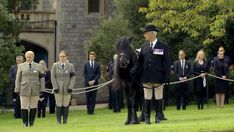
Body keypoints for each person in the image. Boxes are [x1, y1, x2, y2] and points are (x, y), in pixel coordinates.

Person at [139, 24, 171, 124]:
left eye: (146, 33)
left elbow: (167, 63)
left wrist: (167, 77)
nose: (144, 35)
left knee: (158, 96)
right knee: (147, 97)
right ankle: (147, 117)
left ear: (152, 34)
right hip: (146, 77)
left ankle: (158, 116)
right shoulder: (144, 47)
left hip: (158, 77)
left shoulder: (163, 46)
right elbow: (140, 63)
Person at [15, 51, 45, 127]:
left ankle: (31, 123)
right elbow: (18, 79)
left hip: (35, 88)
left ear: (33, 57)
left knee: (33, 106)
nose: (29, 58)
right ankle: (25, 123)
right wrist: (17, 89)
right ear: (25, 57)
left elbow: (42, 78)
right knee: (24, 106)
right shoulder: (21, 66)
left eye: (30, 56)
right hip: (24, 88)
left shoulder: (38, 66)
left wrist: (42, 89)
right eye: (27, 57)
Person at [51, 51, 76, 124]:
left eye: (63, 56)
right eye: (60, 56)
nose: (62, 58)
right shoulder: (55, 65)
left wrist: (70, 87)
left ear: (66, 57)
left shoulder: (70, 66)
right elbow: (53, 77)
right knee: (58, 104)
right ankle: (58, 121)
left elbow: (73, 77)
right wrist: (55, 87)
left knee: (65, 104)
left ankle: (65, 121)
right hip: (57, 89)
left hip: (67, 88)